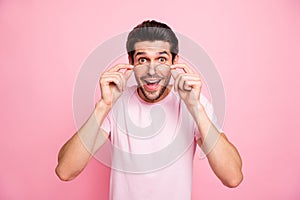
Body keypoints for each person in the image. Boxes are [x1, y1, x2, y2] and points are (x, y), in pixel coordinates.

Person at [55, 20, 243, 200]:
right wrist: (103, 105)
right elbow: (65, 171)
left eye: (161, 59)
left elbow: (232, 177)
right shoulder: (114, 103)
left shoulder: (194, 103)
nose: (152, 71)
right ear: (131, 62)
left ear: (174, 61)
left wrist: (195, 107)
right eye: (143, 59)